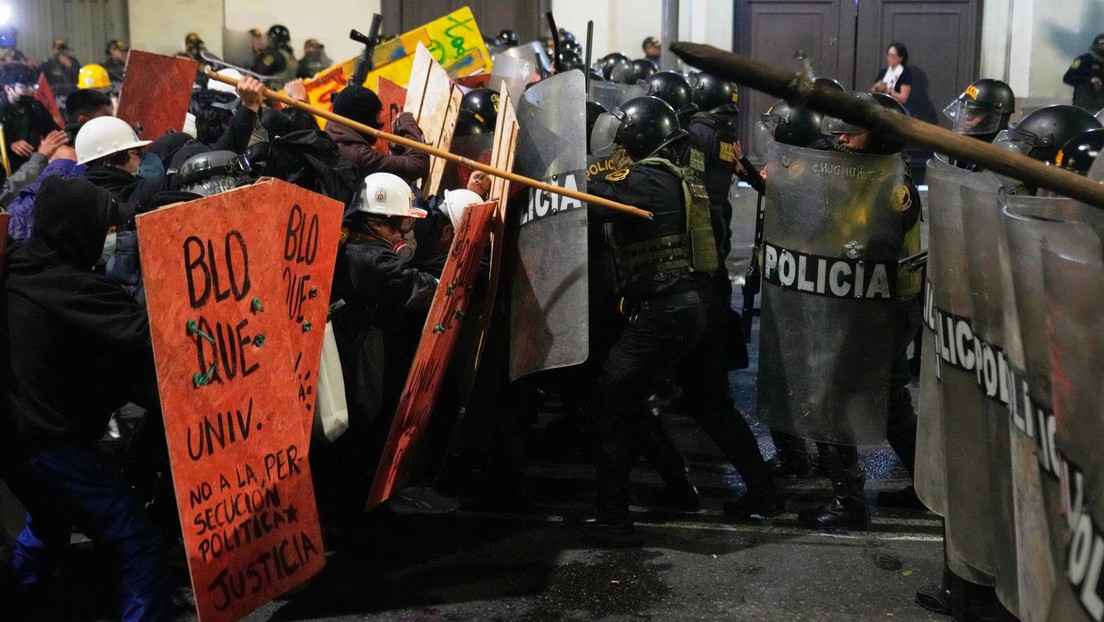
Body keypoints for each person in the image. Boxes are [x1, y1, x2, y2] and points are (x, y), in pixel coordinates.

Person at [569, 96, 780, 533]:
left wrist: (559, 171)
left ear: (638, 138)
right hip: (702, 308)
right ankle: (762, 492)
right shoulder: (685, 177)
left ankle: (612, 515)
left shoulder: (643, 180)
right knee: (711, 404)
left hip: (667, 311)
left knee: (612, 396)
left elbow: (581, 198)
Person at [0, 176, 171, 622]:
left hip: (12, 445)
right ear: (82, 229)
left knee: (48, 523)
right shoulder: (80, 291)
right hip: (56, 447)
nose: (110, 237)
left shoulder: (14, 266)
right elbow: (156, 337)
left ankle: (21, 603)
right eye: (105, 227)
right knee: (137, 544)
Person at [795, 92, 922, 530]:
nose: (843, 139)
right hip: (886, 313)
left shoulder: (890, 189)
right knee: (893, 405)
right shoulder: (877, 174)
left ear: (882, 136)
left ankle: (849, 503)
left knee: (829, 399)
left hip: (872, 313)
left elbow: (865, 258)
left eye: (854, 131)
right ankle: (929, 488)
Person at [325, 83, 429, 182]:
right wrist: (406, 122)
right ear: (362, 119)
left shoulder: (334, 129)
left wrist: (397, 145)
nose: (381, 122)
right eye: (377, 116)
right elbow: (418, 165)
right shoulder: (358, 155)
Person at [0, 63, 62, 173]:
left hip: (33, 168)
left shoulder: (36, 107)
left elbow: (55, 133)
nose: (30, 91)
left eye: (32, 86)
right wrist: (10, 144)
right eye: (24, 87)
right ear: (8, 89)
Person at [1063, 34, 1104, 112]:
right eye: (1102, 45)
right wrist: (1089, 80)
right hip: (1085, 107)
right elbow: (1068, 78)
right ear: (1096, 45)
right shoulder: (1084, 60)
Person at [38, 39, 81, 108]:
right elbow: (39, 81)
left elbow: (79, 77)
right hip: (54, 99)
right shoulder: (47, 64)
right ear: (53, 50)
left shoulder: (73, 62)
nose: (61, 52)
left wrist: (70, 65)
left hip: (72, 97)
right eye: (58, 49)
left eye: (63, 49)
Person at [871, 42, 912, 110]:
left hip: (896, 109)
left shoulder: (904, 74)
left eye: (892, 55)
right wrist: (876, 87)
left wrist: (888, 91)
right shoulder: (884, 72)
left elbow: (903, 98)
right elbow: (872, 91)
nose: (889, 58)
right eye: (888, 55)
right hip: (881, 106)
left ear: (900, 58)